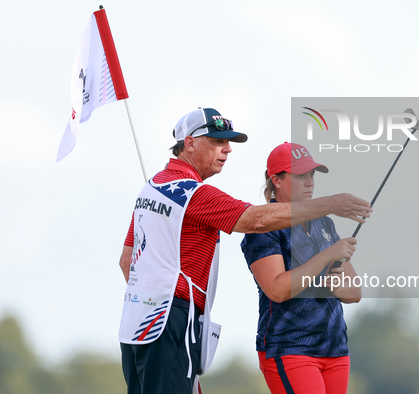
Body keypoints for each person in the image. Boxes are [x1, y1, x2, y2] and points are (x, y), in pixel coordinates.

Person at [117, 109, 372, 394]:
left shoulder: (152, 187)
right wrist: (330, 204)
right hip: (171, 320)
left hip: (138, 321)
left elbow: (127, 261)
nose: (226, 149)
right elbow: (255, 220)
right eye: (216, 141)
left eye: (228, 143)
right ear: (189, 143)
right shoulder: (192, 193)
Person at [241, 142, 362, 394]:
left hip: (335, 347)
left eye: (311, 175)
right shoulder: (262, 227)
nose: (310, 182)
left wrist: (337, 286)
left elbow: (354, 293)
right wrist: (327, 256)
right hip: (289, 347)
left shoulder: (325, 224)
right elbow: (277, 289)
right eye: (300, 176)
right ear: (276, 180)